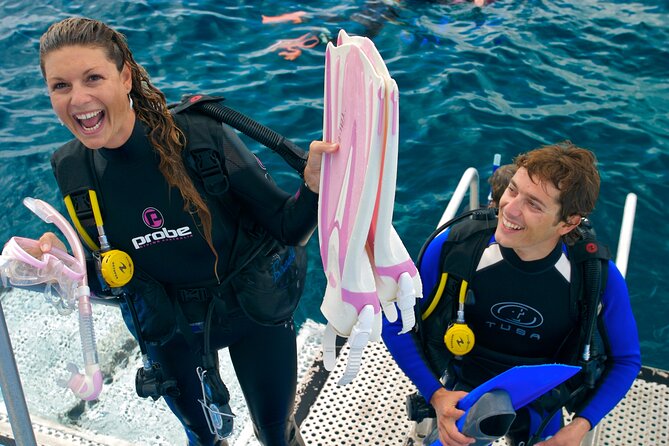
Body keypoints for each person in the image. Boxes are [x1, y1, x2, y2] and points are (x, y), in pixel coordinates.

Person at [36, 17, 337, 446]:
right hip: (171, 329)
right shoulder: (73, 168)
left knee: (276, 433)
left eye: (93, 78)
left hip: (252, 313)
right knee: (202, 436)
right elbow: (110, 275)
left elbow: (287, 228)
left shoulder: (199, 136)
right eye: (60, 86)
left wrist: (312, 187)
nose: (78, 99)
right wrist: (62, 268)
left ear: (124, 77)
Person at [383, 141, 641, 446]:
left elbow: (625, 360)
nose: (510, 208)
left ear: (568, 222)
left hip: (542, 397)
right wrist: (436, 395)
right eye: (513, 190)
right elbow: (395, 322)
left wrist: (578, 427)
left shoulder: (594, 276)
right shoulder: (456, 249)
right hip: (464, 386)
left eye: (534, 204)